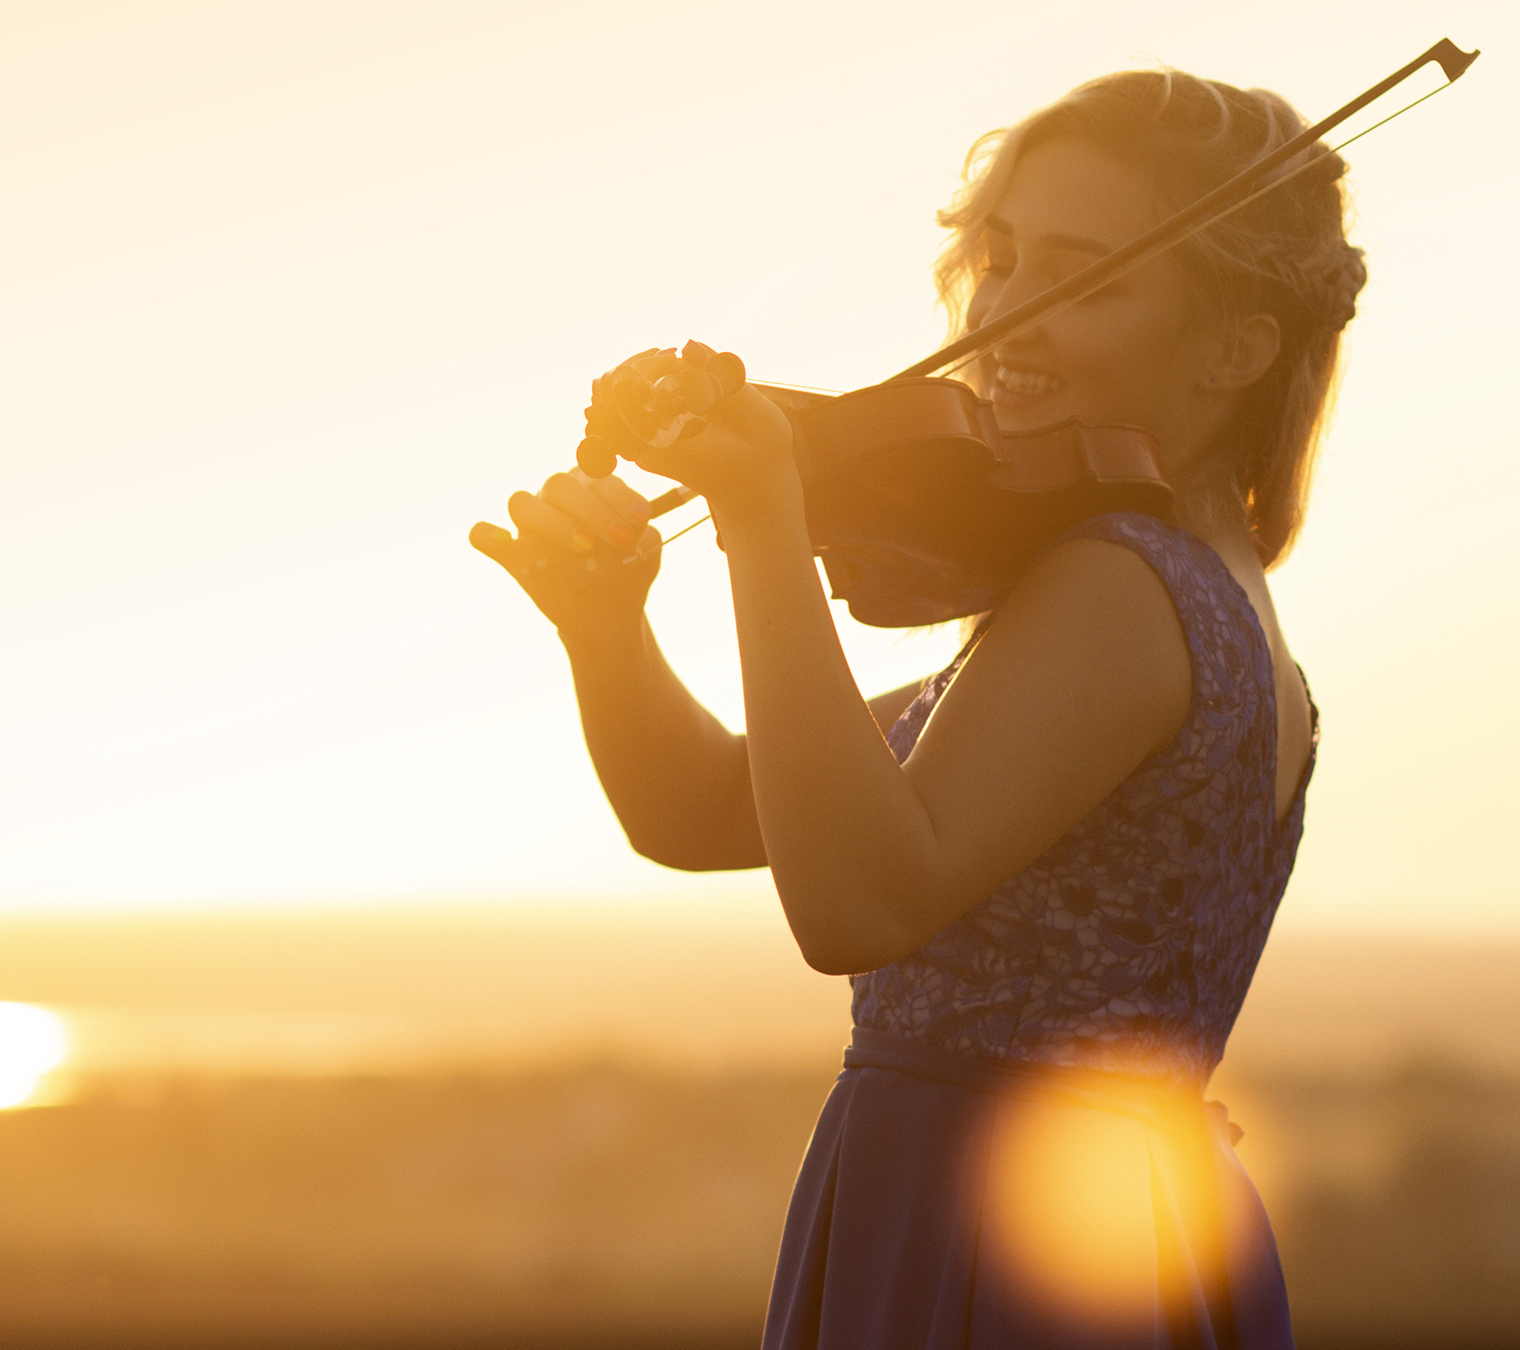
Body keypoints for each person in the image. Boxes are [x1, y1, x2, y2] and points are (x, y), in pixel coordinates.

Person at [474, 65, 1362, 1350]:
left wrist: (765, 521)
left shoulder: (1123, 588)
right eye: (998, 261)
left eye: (1085, 282)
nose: (1007, 314)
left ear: (1235, 348)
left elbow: (857, 903)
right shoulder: (1193, 597)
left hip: (992, 1235)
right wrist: (605, 631)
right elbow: (707, 810)